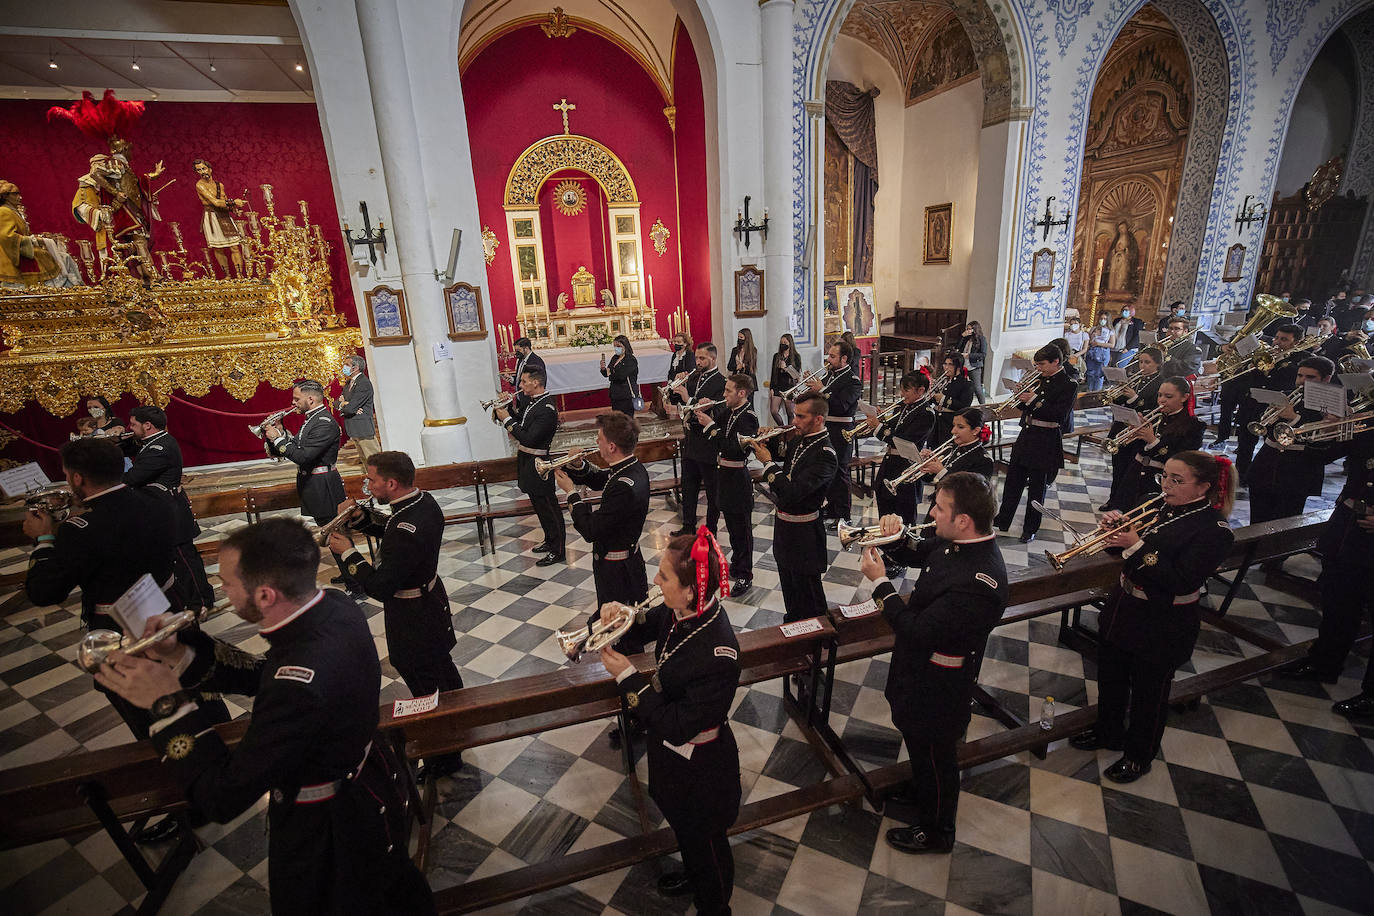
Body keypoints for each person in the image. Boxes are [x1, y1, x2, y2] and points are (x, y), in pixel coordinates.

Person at [93, 518, 436, 915]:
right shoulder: (332, 607)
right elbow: (267, 674)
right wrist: (181, 654)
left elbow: (221, 797)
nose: (221, 589)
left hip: (329, 826)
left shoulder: (298, 684)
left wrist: (168, 705)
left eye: (228, 583)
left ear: (266, 595)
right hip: (368, 779)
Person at [859, 471, 1008, 853]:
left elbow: (918, 631)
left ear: (963, 520)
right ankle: (922, 789)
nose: (932, 513)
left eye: (939, 508)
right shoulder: (957, 544)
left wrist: (881, 585)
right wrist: (891, 533)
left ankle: (938, 831)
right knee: (920, 746)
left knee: (937, 756)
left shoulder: (980, 579)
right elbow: (916, 550)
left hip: (941, 684)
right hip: (919, 672)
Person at [1069, 451, 1235, 783]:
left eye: (1177, 480)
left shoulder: (1213, 529)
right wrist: (1115, 536)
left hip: (1163, 621)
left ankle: (1138, 756)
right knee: (1111, 678)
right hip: (1124, 606)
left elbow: (1181, 579)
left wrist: (1135, 545)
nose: (1165, 484)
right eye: (1165, 476)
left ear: (1202, 487)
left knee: (1150, 693)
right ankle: (1108, 731)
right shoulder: (1156, 504)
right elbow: (1123, 554)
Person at [598, 529, 741, 914]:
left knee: (707, 844)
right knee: (686, 832)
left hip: (704, 772)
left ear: (691, 590)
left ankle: (714, 904)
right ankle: (694, 874)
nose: (655, 583)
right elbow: (645, 621)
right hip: (675, 763)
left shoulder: (718, 652)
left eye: (663, 577)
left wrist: (629, 678)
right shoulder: (681, 611)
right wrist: (617, 613)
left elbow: (678, 724)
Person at [328, 450, 464, 782]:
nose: (367, 484)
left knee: (423, 679)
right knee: (442, 671)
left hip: (413, 615)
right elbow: (392, 527)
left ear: (391, 482)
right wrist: (361, 521)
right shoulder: (423, 502)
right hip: (430, 603)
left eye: (371, 479)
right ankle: (460, 725)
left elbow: (380, 587)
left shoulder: (406, 526)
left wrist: (347, 552)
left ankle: (444, 756)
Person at [1279, 414, 1374, 716]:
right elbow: (1316, 458)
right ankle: (1325, 661)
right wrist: (1330, 432)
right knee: (1337, 598)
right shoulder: (1369, 424)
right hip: (1348, 523)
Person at [555, 411, 651, 650]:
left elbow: (591, 530)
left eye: (598, 438)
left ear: (611, 446)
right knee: (617, 619)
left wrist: (571, 494)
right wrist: (580, 466)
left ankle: (627, 672)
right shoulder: (631, 468)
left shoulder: (624, 486)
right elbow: (603, 479)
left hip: (617, 570)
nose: (595, 442)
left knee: (621, 628)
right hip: (626, 562)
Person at [263, 380, 362, 596]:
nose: (293, 403)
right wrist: (280, 436)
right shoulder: (312, 420)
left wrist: (280, 439)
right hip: (315, 485)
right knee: (330, 533)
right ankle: (348, 574)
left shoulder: (324, 422)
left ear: (311, 399)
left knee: (337, 535)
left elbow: (303, 456)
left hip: (324, 486)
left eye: (296, 399)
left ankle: (357, 583)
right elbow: (296, 448)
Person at [753, 392, 838, 622]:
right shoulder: (800, 439)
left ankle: (817, 643)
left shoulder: (826, 455)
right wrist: (768, 441)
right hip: (785, 530)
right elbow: (787, 466)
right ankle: (793, 630)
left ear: (818, 419)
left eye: (800, 416)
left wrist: (767, 463)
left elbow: (792, 492)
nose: (794, 421)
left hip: (805, 536)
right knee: (790, 594)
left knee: (810, 600)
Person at [123, 405, 215, 612]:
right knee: (176, 558)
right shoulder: (153, 441)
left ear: (148, 426)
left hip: (172, 512)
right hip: (164, 510)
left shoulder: (159, 448)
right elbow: (131, 447)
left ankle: (200, 601)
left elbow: (132, 478)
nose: (130, 428)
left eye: (133, 424)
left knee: (184, 559)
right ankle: (188, 599)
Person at [993, 344, 1076, 542]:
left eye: (1042, 364)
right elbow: (1025, 407)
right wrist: (1019, 395)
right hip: (1027, 436)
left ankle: (1030, 528)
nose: (1038, 368)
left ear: (1056, 362)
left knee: (1037, 489)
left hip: (1046, 439)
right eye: (1037, 364)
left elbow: (1059, 415)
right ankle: (1003, 520)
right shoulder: (1039, 379)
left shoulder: (1068, 384)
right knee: (1013, 481)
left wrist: (1035, 400)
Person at [1245, 356, 1336, 527]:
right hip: (1265, 465)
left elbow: (1322, 440)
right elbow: (1263, 426)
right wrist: (1269, 420)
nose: (1302, 381)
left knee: (1284, 523)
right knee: (1256, 521)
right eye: (1300, 376)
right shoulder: (1285, 396)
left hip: (1297, 471)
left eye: (1310, 377)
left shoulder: (1331, 404)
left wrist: (1293, 418)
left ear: (1327, 379)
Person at [495, 366, 565, 566]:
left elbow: (529, 438)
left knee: (549, 508)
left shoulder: (547, 409)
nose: (521, 385)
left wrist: (507, 420)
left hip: (539, 462)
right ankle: (550, 539)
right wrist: (506, 409)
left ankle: (558, 549)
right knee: (539, 506)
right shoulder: (533, 403)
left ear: (536, 382)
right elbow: (522, 423)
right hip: (527, 461)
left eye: (524, 381)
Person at [699, 373, 760, 593]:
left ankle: (745, 574)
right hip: (724, 476)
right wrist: (705, 411)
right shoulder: (732, 412)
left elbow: (732, 447)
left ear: (741, 393)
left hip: (737, 478)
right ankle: (737, 565)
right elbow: (718, 423)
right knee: (733, 529)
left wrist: (710, 426)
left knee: (742, 531)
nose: (724, 395)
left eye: (728, 391)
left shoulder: (748, 417)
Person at [1113, 377, 1206, 510]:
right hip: (1135, 473)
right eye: (1160, 395)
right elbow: (1134, 450)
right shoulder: (1151, 415)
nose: (1162, 400)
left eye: (1168, 396)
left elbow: (1183, 460)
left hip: (1159, 480)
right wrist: (1133, 433)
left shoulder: (1194, 426)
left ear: (1184, 398)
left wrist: (1153, 441)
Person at [1232, 323, 1304, 481]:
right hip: (1250, 407)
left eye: (1284, 339)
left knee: (1272, 447)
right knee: (1244, 445)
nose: (1277, 342)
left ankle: (1267, 477)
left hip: (1275, 410)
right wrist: (1251, 365)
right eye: (1276, 338)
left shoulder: (1300, 360)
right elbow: (1241, 379)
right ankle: (1241, 476)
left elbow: (1291, 384)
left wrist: (1270, 370)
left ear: (1296, 342)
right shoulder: (1261, 355)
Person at [670, 342, 726, 536]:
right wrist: (675, 384)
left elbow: (718, 412)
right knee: (689, 487)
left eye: (702, 358)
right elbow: (675, 400)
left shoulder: (721, 382)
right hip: (690, 442)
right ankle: (688, 526)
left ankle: (710, 530)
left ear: (713, 358)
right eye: (697, 358)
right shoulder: (694, 378)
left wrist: (689, 399)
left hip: (708, 445)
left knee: (713, 492)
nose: (698, 362)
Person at [1101, 347, 1164, 512]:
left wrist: (1135, 398)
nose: (1142, 365)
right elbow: (1121, 402)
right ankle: (1112, 498)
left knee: (1130, 469)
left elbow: (1154, 407)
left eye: (1147, 362)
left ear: (1157, 363)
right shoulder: (1135, 379)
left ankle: (1124, 503)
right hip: (1122, 426)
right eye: (1141, 361)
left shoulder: (1161, 382)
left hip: (1138, 431)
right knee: (1117, 466)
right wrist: (1117, 394)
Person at [872, 371, 936, 530]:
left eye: (906, 390)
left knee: (904, 517)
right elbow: (893, 430)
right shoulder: (902, 406)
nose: (902, 394)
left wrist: (879, 427)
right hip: (889, 464)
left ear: (920, 390)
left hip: (906, 468)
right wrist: (882, 421)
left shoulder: (926, 414)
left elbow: (903, 440)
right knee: (885, 512)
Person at [808, 339, 863, 527]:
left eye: (832, 356)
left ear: (844, 358)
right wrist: (812, 389)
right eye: (829, 355)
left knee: (840, 472)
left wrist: (821, 390)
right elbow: (822, 400)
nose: (828, 360)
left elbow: (841, 405)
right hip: (826, 428)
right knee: (827, 470)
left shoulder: (853, 381)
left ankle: (844, 514)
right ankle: (831, 507)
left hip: (842, 430)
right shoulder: (830, 375)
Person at [0, 179, 62, 286]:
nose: (20, 197)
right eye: (15, 194)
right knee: (45, 256)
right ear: (5, 196)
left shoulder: (13, 211)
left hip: (22, 250)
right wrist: (33, 241)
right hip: (11, 257)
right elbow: (7, 237)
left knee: (59, 256)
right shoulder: (4, 211)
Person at [192, 158, 247, 278]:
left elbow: (224, 199)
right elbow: (215, 202)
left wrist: (234, 209)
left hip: (224, 216)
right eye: (199, 170)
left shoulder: (219, 185)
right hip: (212, 216)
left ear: (210, 169)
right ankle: (227, 275)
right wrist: (234, 202)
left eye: (204, 168)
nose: (202, 172)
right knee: (218, 248)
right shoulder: (200, 185)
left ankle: (239, 275)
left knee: (234, 246)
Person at [335, 355, 380, 462]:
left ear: (355, 368)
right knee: (365, 460)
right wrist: (344, 404)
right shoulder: (348, 383)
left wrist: (346, 404)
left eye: (347, 365)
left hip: (363, 429)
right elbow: (336, 403)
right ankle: (370, 479)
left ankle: (380, 479)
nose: (343, 367)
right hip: (354, 428)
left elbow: (350, 408)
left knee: (374, 461)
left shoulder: (363, 383)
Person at [931, 353, 976, 444]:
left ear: (958, 367)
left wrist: (943, 399)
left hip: (950, 423)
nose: (946, 367)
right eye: (945, 364)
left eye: (950, 364)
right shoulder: (944, 381)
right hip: (936, 421)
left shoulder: (966, 384)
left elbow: (964, 406)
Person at [599, 334, 639, 417]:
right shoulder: (615, 358)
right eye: (615, 346)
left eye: (619, 346)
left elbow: (621, 376)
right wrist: (603, 369)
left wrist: (611, 374)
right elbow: (607, 373)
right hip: (615, 393)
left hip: (626, 394)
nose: (616, 348)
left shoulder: (630, 359)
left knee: (627, 419)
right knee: (617, 419)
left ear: (625, 346)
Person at [769, 332, 802, 424]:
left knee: (790, 412)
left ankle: (789, 432)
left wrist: (786, 368)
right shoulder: (777, 356)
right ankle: (782, 427)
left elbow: (796, 376)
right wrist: (771, 388)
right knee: (774, 411)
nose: (783, 344)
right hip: (778, 386)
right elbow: (773, 373)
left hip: (790, 387)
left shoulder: (796, 357)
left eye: (785, 342)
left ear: (790, 343)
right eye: (781, 342)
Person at [507, 337, 545, 415]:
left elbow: (540, 382)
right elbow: (520, 378)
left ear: (526, 348)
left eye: (518, 351)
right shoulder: (521, 360)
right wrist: (511, 379)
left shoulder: (536, 361)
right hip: (521, 399)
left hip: (529, 400)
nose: (516, 353)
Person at [727, 328, 759, 410]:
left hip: (748, 380)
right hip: (737, 380)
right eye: (738, 337)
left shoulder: (753, 351)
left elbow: (752, 367)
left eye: (741, 338)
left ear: (746, 339)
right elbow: (729, 366)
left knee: (749, 404)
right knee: (737, 404)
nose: (739, 339)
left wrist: (743, 366)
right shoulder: (735, 350)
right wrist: (736, 367)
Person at [959, 321, 987, 403]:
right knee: (963, 387)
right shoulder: (966, 338)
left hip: (974, 366)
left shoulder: (981, 339)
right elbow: (958, 347)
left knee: (977, 389)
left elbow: (983, 354)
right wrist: (962, 337)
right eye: (967, 329)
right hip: (963, 366)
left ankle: (983, 406)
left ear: (975, 329)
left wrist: (969, 355)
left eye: (970, 329)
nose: (968, 331)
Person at [1086, 314, 1113, 391]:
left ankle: (1097, 392)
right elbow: (1089, 341)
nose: (1102, 320)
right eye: (1101, 318)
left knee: (1099, 374)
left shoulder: (1110, 331)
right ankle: (1089, 391)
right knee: (1090, 373)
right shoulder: (1093, 328)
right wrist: (1093, 337)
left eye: (1105, 319)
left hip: (1103, 353)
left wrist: (1099, 344)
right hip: (1093, 352)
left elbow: (1112, 344)